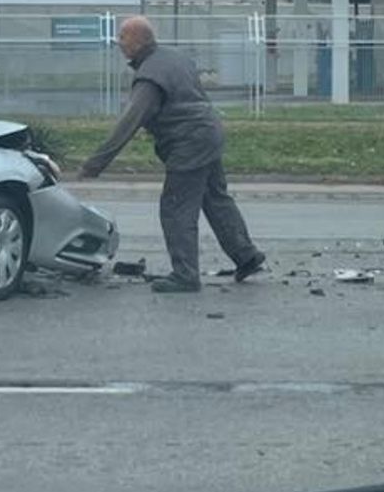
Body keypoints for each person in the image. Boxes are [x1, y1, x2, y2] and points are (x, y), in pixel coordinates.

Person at [78, 16, 265, 293]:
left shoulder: (150, 77)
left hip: (188, 143)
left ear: (139, 41)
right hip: (209, 133)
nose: (119, 43)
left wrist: (94, 165)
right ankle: (246, 256)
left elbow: (128, 124)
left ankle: (185, 275)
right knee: (216, 198)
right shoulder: (175, 57)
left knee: (176, 208)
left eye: (122, 38)